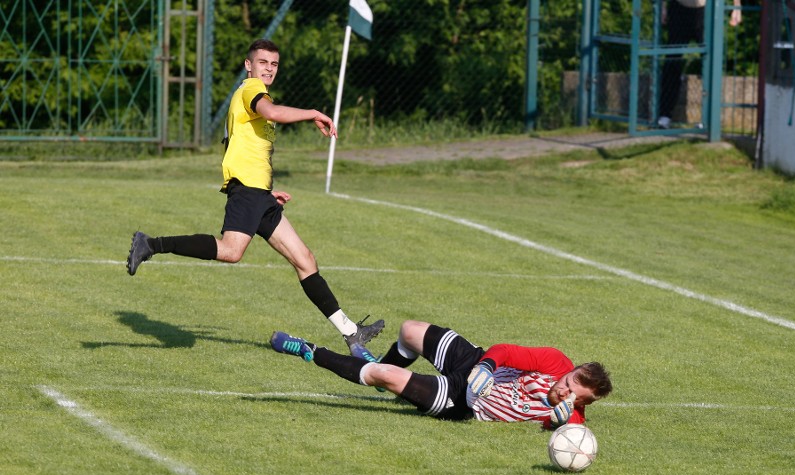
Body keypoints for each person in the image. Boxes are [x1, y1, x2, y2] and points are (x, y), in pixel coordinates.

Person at [126, 39, 383, 353]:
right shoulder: (250, 89)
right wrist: (313, 112)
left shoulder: (251, 98)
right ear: (249, 65)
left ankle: (351, 331)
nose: (269, 69)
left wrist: (265, 191)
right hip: (248, 193)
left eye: (274, 64)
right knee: (231, 252)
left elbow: (237, 144)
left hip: (259, 195)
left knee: (305, 260)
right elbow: (272, 110)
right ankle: (151, 244)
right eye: (263, 62)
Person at [269, 320, 612, 427]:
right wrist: (486, 366)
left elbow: (571, 442)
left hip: (462, 400)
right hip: (474, 364)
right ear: (570, 371)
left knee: (385, 374)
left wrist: (558, 422)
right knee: (409, 331)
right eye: (568, 385)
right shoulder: (555, 362)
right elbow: (506, 351)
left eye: (576, 398)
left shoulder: (573, 418)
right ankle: (375, 378)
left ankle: (310, 351)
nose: (565, 393)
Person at [658, 0, 742, 129]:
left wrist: (737, 7)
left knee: (710, 63)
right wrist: (662, 6)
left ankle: (708, 118)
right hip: (679, 8)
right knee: (672, 61)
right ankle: (664, 115)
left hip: (705, 9)